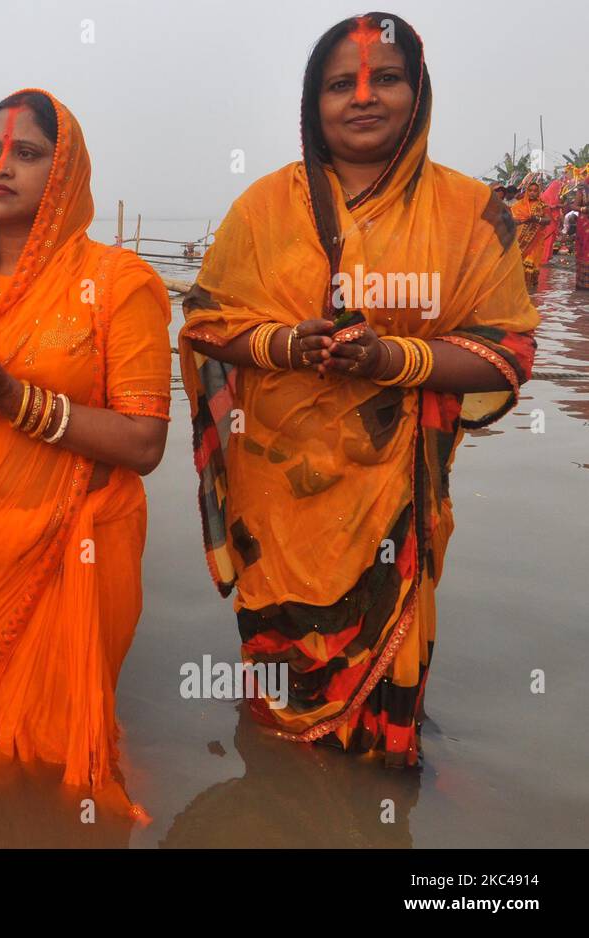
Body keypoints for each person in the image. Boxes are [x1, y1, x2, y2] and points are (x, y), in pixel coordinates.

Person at [179, 12, 538, 768]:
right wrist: (283, 343)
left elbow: (508, 349)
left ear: (420, 93)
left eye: (388, 78)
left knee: (386, 688)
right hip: (276, 498)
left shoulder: (471, 213)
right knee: (279, 686)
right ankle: (282, 789)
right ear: (314, 103)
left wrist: (394, 360)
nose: (363, 97)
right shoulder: (262, 210)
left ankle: (376, 779)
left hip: (395, 494)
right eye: (341, 83)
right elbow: (208, 325)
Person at [0, 89, 172, 814]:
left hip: (80, 542)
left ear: (66, 170)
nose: (2, 166)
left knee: (69, 739)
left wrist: (11, 397)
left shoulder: (120, 283)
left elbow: (144, 442)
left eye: (27, 152)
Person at [512, 180, 553, 288]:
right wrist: (521, 221)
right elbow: (514, 220)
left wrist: (536, 219)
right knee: (518, 265)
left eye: (535, 191)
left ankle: (530, 292)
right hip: (519, 241)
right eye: (530, 190)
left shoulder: (543, 206)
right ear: (526, 191)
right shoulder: (519, 205)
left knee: (530, 265)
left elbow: (548, 220)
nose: (532, 193)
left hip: (535, 241)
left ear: (538, 192)